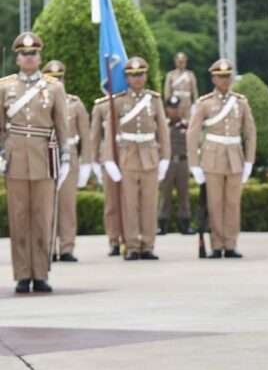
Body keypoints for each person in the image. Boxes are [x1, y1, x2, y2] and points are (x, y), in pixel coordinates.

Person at [1, 33, 69, 293]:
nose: (28, 58)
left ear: (39, 57)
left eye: (33, 53)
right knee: (18, 219)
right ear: (17, 58)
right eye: (24, 54)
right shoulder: (4, 87)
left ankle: (40, 273)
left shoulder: (54, 87)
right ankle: (22, 274)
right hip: (15, 158)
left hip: (44, 158)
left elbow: (61, 125)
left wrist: (65, 157)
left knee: (42, 218)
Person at [100, 57, 170, 261]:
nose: (137, 78)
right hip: (127, 156)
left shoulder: (154, 100)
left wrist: (165, 158)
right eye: (132, 75)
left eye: (140, 74)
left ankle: (147, 245)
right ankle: (131, 245)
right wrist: (109, 159)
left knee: (149, 203)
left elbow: (163, 131)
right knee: (129, 204)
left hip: (150, 155)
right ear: (127, 78)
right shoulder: (118, 101)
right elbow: (110, 131)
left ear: (146, 76)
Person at [187, 59, 257, 259]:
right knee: (215, 204)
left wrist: (249, 161)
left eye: (227, 76)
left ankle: (231, 244)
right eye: (220, 77)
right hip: (212, 157)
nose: (224, 80)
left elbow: (250, 133)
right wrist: (194, 164)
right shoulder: (205, 103)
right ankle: (217, 245)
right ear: (213, 79)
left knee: (233, 204)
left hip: (235, 157)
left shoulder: (241, 102)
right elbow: (193, 133)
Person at [42, 60, 92, 262]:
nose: (57, 82)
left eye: (59, 78)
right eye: (52, 79)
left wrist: (87, 163)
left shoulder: (75, 103)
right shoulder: (39, 102)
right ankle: (48, 247)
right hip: (44, 154)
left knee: (67, 204)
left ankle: (66, 247)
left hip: (68, 156)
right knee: (45, 204)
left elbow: (85, 135)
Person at [90, 93, 123, 256]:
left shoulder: (133, 101)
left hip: (132, 155)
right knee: (112, 203)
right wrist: (94, 160)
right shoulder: (101, 106)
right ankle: (114, 240)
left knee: (133, 202)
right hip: (109, 158)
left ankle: (132, 239)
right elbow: (95, 135)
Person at [158, 95, 193, 236]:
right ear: (166, 109)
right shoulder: (162, 126)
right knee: (164, 194)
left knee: (184, 194)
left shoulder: (187, 126)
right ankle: (162, 225)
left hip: (183, 162)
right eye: (171, 108)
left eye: (176, 108)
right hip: (167, 163)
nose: (174, 111)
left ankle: (185, 225)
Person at [163, 52, 199, 118]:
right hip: (175, 102)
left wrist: (196, 104)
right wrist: (167, 104)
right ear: (175, 62)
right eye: (179, 61)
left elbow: (194, 91)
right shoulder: (170, 75)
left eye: (183, 61)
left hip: (187, 102)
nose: (181, 63)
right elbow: (167, 91)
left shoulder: (190, 74)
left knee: (188, 121)